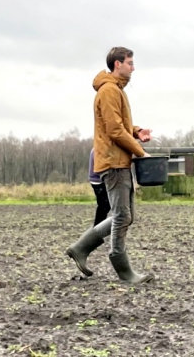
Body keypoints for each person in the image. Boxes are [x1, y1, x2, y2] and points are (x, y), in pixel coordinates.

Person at [66, 47, 154, 284]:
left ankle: (81, 248)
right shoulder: (108, 91)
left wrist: (136, 131)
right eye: (130, 63)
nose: (133, 68)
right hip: (113, 161)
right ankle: (122, 268)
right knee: (122, 215)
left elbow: (119, 125)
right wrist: (140, 152)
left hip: (119, 159)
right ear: (117, 64)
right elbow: (114, 130)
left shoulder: (115, 90)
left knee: (125, 216)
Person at [87, 148, 111, 227]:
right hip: (98, 180)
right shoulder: (99, 149)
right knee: (104, 206)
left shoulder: (96, 149)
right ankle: (97, 228)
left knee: (104, 206)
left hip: (96, 179)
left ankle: (98, 227)